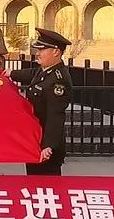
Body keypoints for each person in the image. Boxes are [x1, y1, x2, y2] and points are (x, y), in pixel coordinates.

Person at [10, 28, 73, 175]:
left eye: (42, 50)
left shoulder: (59, 81)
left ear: (56, 52)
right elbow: (32, 74)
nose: (37, 53)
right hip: (35, 140)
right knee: (33, 183)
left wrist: (48, 145)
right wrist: (11, 73)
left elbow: (55, 116)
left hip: (46, 147)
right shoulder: (45, 70)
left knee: (46, 185)